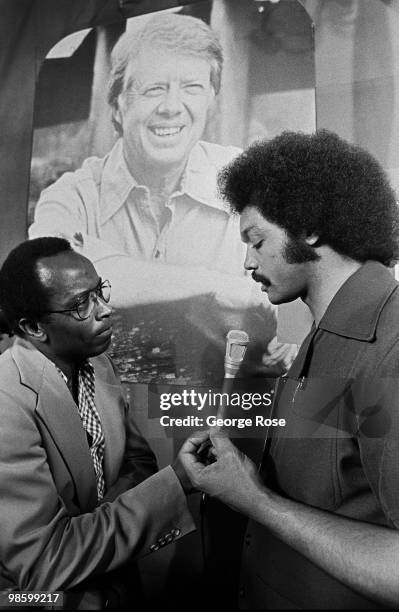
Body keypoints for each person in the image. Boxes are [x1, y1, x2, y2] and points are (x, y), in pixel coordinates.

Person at [178, 130, 399, 609]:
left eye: (256, 241)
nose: (246, 261)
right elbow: (338, 475)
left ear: (309, 226)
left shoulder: (392, 346)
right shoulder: (321, 337)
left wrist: (256, 500)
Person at [28, 12, 295, 379]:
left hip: (213, 411)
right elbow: (52, 283)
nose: (172, 106)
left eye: (192, 88)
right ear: (118, 104)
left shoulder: (247, 180)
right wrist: (213, 286)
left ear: (211, 100)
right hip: (103, 413)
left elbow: (265, 313)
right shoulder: (72, 195)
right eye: (154, 89)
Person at [0, 237, 195, 610]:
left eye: (99, 291)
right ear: (34, 327)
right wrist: (178, 483)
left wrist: (88, 539)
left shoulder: (98, 364)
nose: (105, 310)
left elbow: (138, 463)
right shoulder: (7, 402)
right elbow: (44, 566)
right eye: (80, 304)